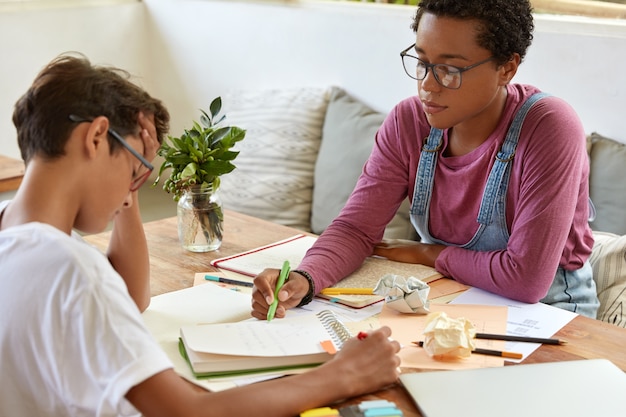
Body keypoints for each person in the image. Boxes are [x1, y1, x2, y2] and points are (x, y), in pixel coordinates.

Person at [0, 53, 401, 417]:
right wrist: (343, 375)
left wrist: (130, 172)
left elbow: (129, 297)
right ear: (95, 138)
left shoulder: (20, 234)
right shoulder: (75, 270)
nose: (133, 189)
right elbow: (188, 412)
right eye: (137, 167)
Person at [251, 0, 600, 321]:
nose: (428, 86)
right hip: (451, 300)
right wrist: (303, 278)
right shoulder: (409, 122)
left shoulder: (549, 127)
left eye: (450, 69)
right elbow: (356, 228)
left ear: (506, 68)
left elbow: (526, 280)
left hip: (551, 314)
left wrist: (431, 255)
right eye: (422, 62)